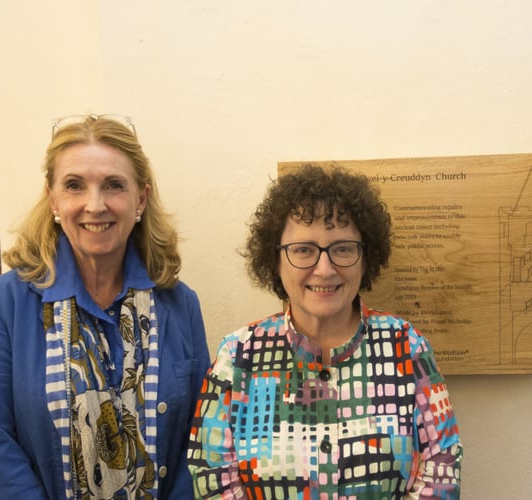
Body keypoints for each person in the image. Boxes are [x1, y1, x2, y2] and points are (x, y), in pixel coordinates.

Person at [187, 164, 462, 499]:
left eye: (342, 248)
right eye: (304, 250)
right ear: (276, 259)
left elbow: (441, 468)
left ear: (365, 256)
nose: (324, 269)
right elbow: (212, 478)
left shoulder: (407, 348)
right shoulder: (237, 357)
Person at [0, 114, 211, 498]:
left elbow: (203, 433)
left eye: (113, 185)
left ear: (140, 198)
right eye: (74, 185)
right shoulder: (3, 303)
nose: (95, 204)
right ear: (53, 198)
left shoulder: (179, 302)